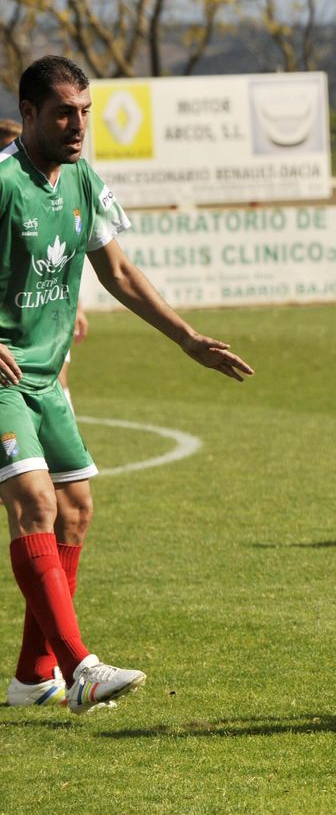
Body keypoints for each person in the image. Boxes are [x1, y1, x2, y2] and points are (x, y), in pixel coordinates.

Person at [2, 56, 253, 714]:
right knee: (35, 502)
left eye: (84, 110)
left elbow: (118, 272)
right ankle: (80, 668)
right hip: (1, 375)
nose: (78, 123)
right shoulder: (2, 181)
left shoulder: (82, 177)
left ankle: (33, 677)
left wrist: (187, 338)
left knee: (76, 507)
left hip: (46, 377)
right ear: (28, 115)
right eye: (63, 111)